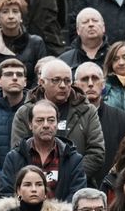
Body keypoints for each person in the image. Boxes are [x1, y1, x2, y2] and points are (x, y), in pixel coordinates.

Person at [8, 60, 106, 188]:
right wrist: (41, 181)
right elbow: (19, 151)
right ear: (42, 82)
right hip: (34, 189)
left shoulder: (87, 110)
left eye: (67, 81)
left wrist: (69, 177)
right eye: (56, 80)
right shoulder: (25, 112)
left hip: (77, 186)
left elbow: (96, 153)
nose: (63, 85)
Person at [0, 101, 88, 201]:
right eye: (40, 120)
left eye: (51, 120)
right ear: (30, 125)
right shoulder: (15, 158)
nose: (46, 125)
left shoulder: (73, 159)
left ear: (57, 124)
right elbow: (7, 194)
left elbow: (77, 196)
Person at [0, 0, 47, 90]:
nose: (11, 16)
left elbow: (40, 76)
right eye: (5, 11)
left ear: (21, 17)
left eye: (15, 11)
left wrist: (29, 97)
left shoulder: (36, 43)